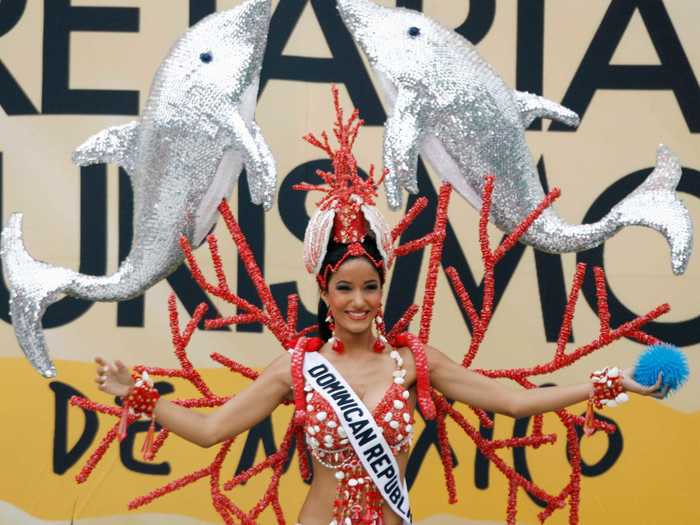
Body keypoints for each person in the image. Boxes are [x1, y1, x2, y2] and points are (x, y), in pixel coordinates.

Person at [92, 92, 667, 525]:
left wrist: (605, 383)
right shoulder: (295, 369)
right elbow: (212, 428)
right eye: (344, 287)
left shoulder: (415, 361)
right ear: (323, 290)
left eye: (370, 286)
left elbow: (514, 402)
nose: (359, 301)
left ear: (384, 284)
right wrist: (136, 394)